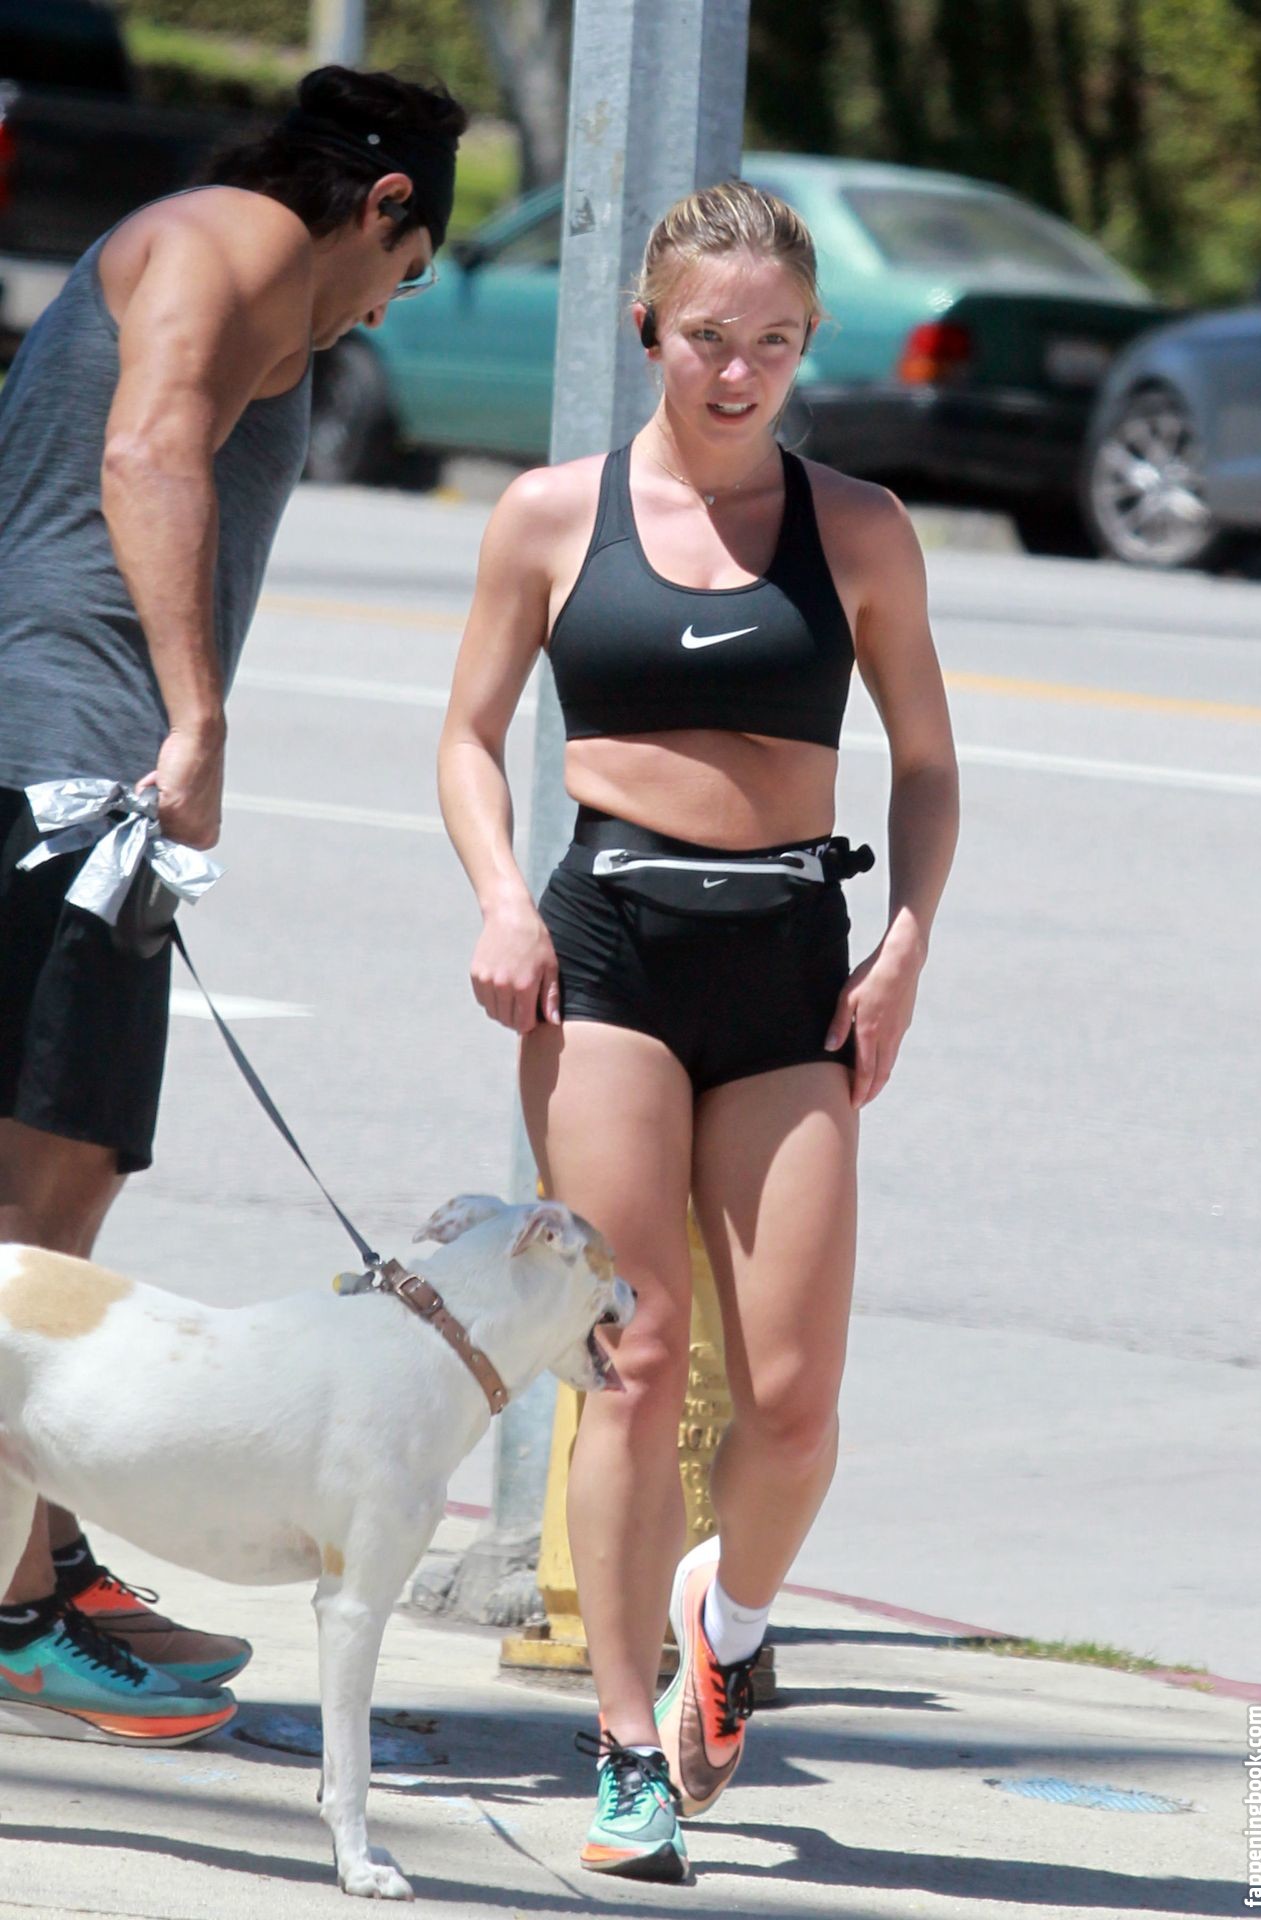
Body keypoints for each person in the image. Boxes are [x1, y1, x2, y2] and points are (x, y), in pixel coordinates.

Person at [439, 180, 959, 1881]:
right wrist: (502, 898)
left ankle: (723, 1627)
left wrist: (903, 945)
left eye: (776, 343)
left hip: (792, 961)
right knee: (637, 1357)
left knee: (794, 1402)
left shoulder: (859, 528)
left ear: (808, 346)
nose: (739, 373)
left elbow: (927, 762)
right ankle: (621, 1750)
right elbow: (468, 735)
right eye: (711, 337)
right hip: (607, 953)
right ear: (647, 327)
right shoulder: (550, 516)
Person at [0, 64, 466, 1746]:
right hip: (71, 766)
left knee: (61, 1172)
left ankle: (42, 1552)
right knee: (43, 1190)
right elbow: (147, 448)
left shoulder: (204, 245)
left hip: (57, 758)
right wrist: (195, 720)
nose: (380, 312)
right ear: (384, 205)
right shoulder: (244, 244)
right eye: (403, 272)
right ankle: (17, 1608)